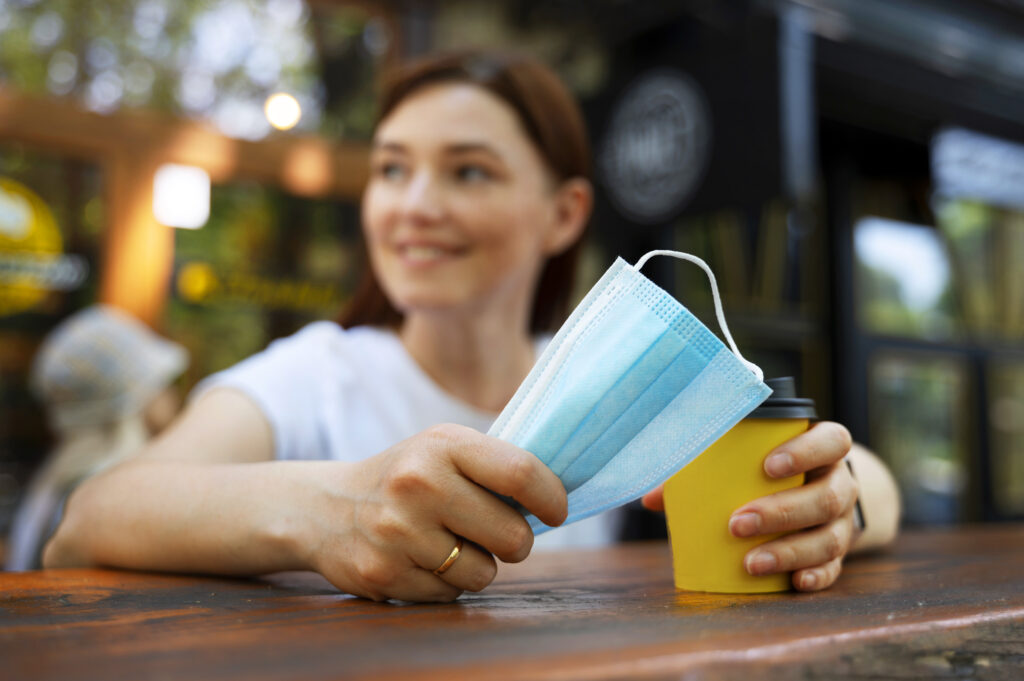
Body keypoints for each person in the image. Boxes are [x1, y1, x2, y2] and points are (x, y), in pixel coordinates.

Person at [43, 50, 899, 601]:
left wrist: (837, 503)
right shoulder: (318, 375)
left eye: (469, 172)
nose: (415, 205)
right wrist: (329, 510)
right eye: (392, 169)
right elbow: (89, 518)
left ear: (564, 214)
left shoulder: (608, 378)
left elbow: (869, 475)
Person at [5, 304, 187, 570]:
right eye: (166, 381)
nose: (173, 394)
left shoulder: (56, 481)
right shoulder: (119, 493)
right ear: (133, 397)